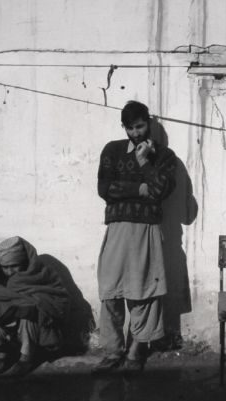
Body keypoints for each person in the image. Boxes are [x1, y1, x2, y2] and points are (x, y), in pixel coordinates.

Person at [94, 101, 177, 374]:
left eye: (139, 126)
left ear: (148, 123)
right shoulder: (112, 150)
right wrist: (142, 188)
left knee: (143, 293)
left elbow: (160, 191)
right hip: (117, 229)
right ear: (124, 127)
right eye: (129, 128)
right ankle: (112, 351)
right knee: (111, 292)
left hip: (147, 230)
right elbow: (105, 189)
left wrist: (145, 163)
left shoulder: (164, 156)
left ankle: (135, 351)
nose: (135, 133)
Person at [0, 236, 68, 376]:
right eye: (5, 267)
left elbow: (59, 300)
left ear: (24, 261)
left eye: (14, 266)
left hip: (30, 329)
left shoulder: (42, 274)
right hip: (3, 327)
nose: (10, 271)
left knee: (30, 311)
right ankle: (2, 353)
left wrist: (28, 304)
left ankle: (26, 358)